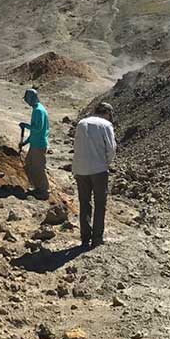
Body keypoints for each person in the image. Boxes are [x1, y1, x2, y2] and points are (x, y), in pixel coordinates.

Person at [71, 102, 116, 248]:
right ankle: (97, 238)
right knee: (100, 203)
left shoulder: (81, 123)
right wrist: (106, 163)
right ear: (107, 113)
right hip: (98, 170)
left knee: (84, 203)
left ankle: (85, 237)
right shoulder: (106, 125)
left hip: (80, 169)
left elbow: (76, 146)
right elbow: (111, 149)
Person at [18, 87, 50, 200]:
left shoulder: (39, 110)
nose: (26, 102)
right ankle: (37, 187)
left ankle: (44, 190)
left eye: (27, 99)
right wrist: (25, 142)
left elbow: (38, 128)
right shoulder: (36, 109)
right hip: (34, 144)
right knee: (29, 164)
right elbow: (34, 132)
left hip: (39, 145)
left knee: (38, 168)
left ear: (31, 98)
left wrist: (25, 125)